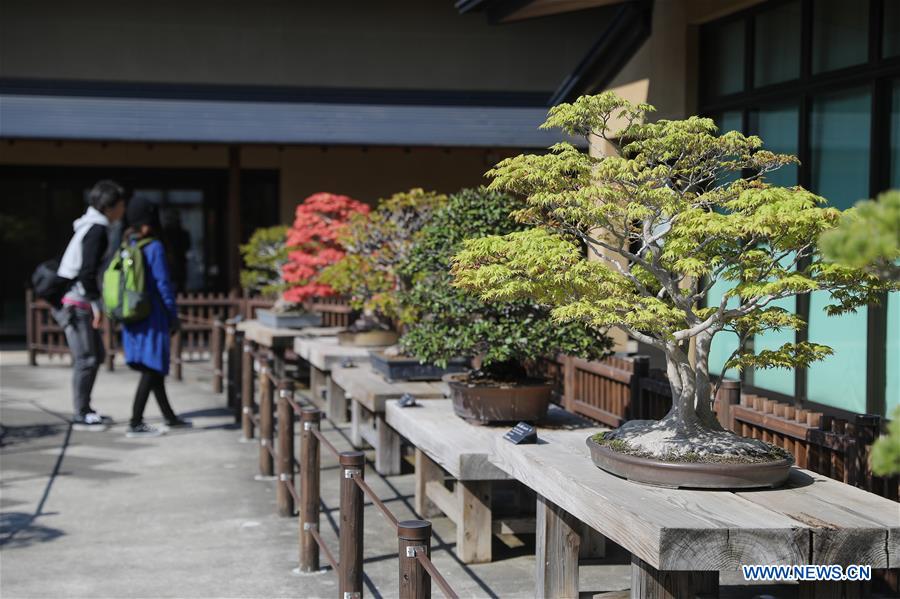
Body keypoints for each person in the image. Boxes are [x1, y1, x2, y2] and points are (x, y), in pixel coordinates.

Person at [55, 180, 126, 431]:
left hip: (78, 299)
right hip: (76, 302)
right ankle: (80, 412)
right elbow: (86, 272)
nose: (123, 209)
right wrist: (97, 305)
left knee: (94, 355)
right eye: (120, 204)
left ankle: (85, 409)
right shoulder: (96, 229)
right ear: (109, 206)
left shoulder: (90, 225)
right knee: (86, 358)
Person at [120, 197, 189, 437]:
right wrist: (173, 316)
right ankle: (135, 422)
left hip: (133, 315)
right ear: (149, 223)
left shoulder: (127, 243)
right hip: (153, 316)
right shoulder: (154, 247)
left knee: (154, 369)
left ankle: (170, 417)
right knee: (152, 368)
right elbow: (163, 285)